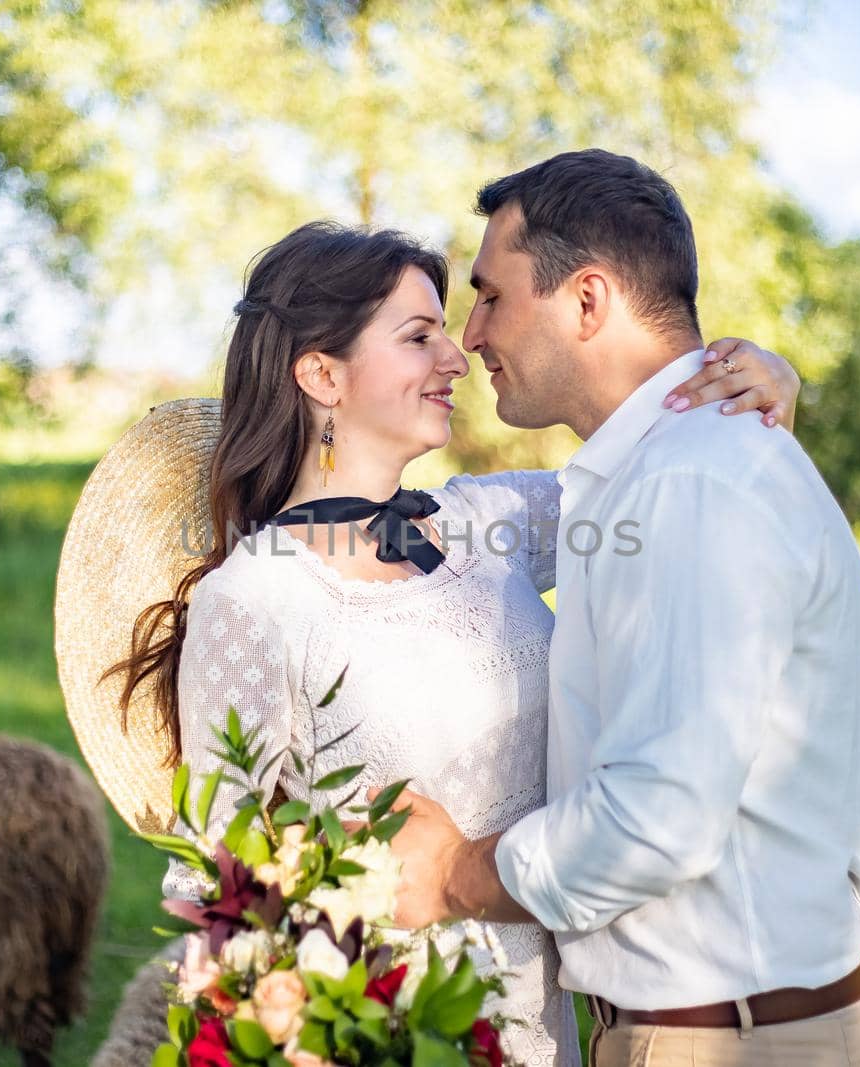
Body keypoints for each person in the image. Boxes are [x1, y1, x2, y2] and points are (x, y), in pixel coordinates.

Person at [106, 218, 802, 1066]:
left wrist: (757, 382)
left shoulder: (487, 521)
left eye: (446, 329)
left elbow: (665, 481)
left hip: (550, 1024)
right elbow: (224, 888)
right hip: (386, 1033)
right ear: (322, 373)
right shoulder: (252, 599)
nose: (457, 357)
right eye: (418, 336)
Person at [382, 149, 860, 1067]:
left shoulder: (692, 481)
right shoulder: (670, 467)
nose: (471, 334)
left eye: (492, 295)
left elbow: (659, 813)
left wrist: (454, 873)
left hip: (737, 1039)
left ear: (587, 301)